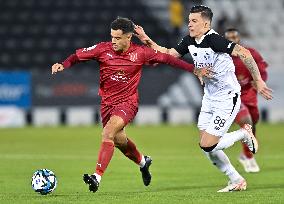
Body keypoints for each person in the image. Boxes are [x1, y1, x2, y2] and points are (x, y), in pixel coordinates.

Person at [51, 17, 211, 193]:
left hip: (128, 103)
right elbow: (77, 56)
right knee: (120, 142)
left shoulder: (140, 53)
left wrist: (194, 69)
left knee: (108, 133)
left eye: (118, 38)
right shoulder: (102, 49)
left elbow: (168, 59)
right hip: (107, 105)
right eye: (112, 37)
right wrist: (63, 64)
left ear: (128, 37)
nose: (113, 41)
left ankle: (96, 176)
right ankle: (143, 162)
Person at [134, 5, 272, 192]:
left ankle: (244, 133)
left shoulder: (214, 40)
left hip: (227, 97)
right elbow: (167, 54)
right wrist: (146, 39)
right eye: (189, 20)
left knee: (208, 144)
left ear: (206, 23)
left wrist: (258, 80)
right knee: (206, 146)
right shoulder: (189, 40)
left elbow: (244, 53)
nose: (189, 24)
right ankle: (236, 179)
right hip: (209, 97)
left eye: (194, 21)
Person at [225, 28, 268, 173]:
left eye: (234, 36)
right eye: (229, 37)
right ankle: (249, 157)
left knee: (253, 121)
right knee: (246, 121)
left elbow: (262, 70)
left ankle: (245, 155)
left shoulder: (250, 53)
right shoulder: (222, 55)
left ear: (238, 38)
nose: (232, 39)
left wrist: (260, 81)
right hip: (233, 95)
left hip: (250, 93)